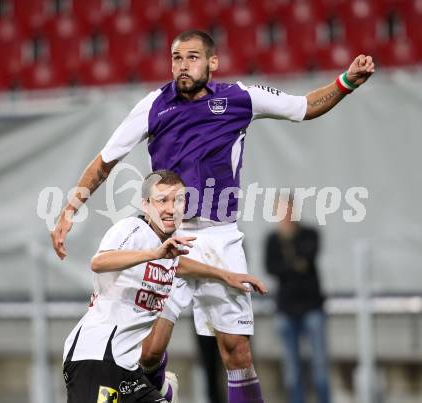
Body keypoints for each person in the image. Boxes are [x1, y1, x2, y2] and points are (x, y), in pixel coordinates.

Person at [51, 30, 374, 403]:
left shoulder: (240, 98)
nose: (182, 66)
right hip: (168, 237)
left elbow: (305, 107)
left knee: (236, 352)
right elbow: (106, 160)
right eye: (175, 58)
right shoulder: (154, 105)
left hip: (220, 236)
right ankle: (160, 388)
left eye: (191, 57)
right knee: (150, 351)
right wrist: (69, 209)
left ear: (212, 62)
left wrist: (346, 81)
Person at [63, 170, 266, 403]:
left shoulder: (168, 248)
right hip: (95, 359)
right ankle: (162, 383)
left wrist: (225, 275)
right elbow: (98, 262)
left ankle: (162, 384)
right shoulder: (133, 229)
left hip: (127, 369)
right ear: (146, 205)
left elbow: (181, 265)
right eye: (162, 201)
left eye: (178, 200)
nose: (171, 208)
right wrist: (154, 253)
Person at [264, 195, 330, 403]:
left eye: (288, 210)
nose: (285, 216)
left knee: (320, 367)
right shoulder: (272, 240)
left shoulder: (310, 234)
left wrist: (289, 261)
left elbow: (308, 259)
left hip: (312, 308)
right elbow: (272, 268)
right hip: (286, 310)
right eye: (281, 211)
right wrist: (295, 264)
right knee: (292, 370)